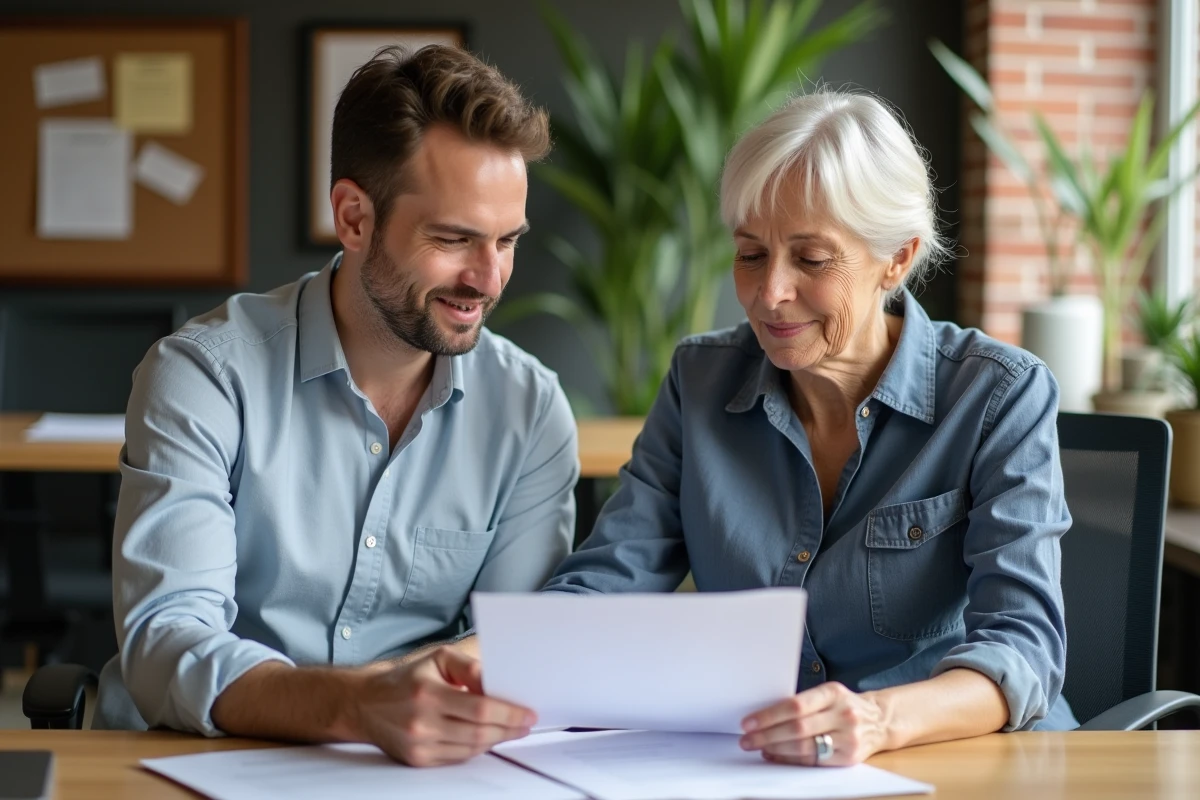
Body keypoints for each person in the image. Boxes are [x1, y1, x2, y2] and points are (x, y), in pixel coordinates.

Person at [535, 90, 1076, 765]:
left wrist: (876, 720)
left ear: (897, 259)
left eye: (812, 260)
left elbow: (1022, 646)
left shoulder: (998, 394)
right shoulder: (700, 381)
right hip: (772, 766)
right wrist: (484, 665)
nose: (770, 294)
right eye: (751, 254)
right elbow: (610, 577)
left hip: (962, 764)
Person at [94, 45, 575, 767]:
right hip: (197, 761)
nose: (488, 278)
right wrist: (355, 707)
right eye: (453, 239)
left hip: (416, 776)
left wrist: (441, 697)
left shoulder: (530, 409)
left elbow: (520, 645)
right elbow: (168, 641)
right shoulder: (202, 376)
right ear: (353, 218)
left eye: (507, 241)